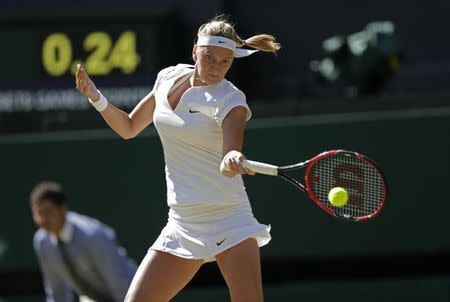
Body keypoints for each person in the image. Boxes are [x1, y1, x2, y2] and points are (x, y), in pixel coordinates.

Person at [75, 15, 280, 302]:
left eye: (225, 62)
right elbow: (129, 127)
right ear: (195, 51)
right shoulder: (168, 77)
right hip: (182, 223)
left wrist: (232, 158)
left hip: (229, 219)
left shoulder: (231, 99)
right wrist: (95, 97)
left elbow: (230, 152)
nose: (216, 68)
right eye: (209, 57)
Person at [30, 181, 138, 302]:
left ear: (63, 208)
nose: (43, 219)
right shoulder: (42, 242)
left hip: (135, 294)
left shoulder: (93, 236)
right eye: (38, 213)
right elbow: (57, 293)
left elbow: (122, 287)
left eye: (48, 211)